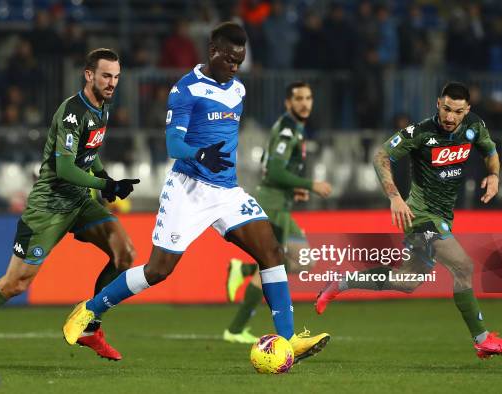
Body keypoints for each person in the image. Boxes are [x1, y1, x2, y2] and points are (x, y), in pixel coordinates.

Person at [62, 22, 331, 364]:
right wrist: (200, 153)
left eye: (241, 59)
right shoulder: (185, 90)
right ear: (213, 52)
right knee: (158, 271)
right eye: (230, 58)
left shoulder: (238, 90)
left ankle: (289, 338)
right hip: (188, 190)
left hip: (227, 191)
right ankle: (89, 309)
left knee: (272, 252)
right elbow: (174, 143)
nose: (235, 66)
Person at [0, 49, 140, 370]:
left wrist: (104, 177)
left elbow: (90, 152)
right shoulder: (72, 112)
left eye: (117, 77)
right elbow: (64, 168)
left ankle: (89, 323)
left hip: (79, 202)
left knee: (125, 253)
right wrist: (106, 186)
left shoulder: (102, 107)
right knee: (15, 284)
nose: (112, 83)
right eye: (106, 75)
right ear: (88, 74)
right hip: (49, 207)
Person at [315, 82, 502, 359]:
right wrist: (395, 197)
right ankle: (483, 339)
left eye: (457, 112)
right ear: (438, 103)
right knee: (462, 265)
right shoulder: (420, 133)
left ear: (467, 110)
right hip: (420, 216)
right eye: (446, 109)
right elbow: (381, 155)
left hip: (443, 216)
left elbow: (490, 151)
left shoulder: (475, 125)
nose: (450, 117)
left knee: (407, 281)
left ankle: (343, 282)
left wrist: (494, 175)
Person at [223, 81, 332, 343]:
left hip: (280, 203)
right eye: (299, 98)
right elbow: (274, 170)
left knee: (305, 260)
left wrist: (294, 190)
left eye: (308, 98)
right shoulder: (286, 129)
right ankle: (236, 330)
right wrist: (310, 184)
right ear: (288, 103)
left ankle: (245, 269)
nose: (305, 103)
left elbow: (268, 165)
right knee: (273, 266)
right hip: (272, 207)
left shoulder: (293, 128)